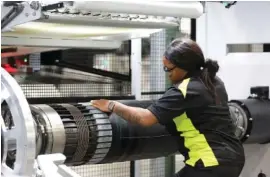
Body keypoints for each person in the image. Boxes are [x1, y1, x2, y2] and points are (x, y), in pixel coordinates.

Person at [91, 38, 245, 177]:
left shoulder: (184, 90)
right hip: (233, 157)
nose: (167, 74)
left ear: (183, 67)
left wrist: (112, 105)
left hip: (209, 162)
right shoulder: (213, 81)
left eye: (168, 69)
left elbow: (144, 119)